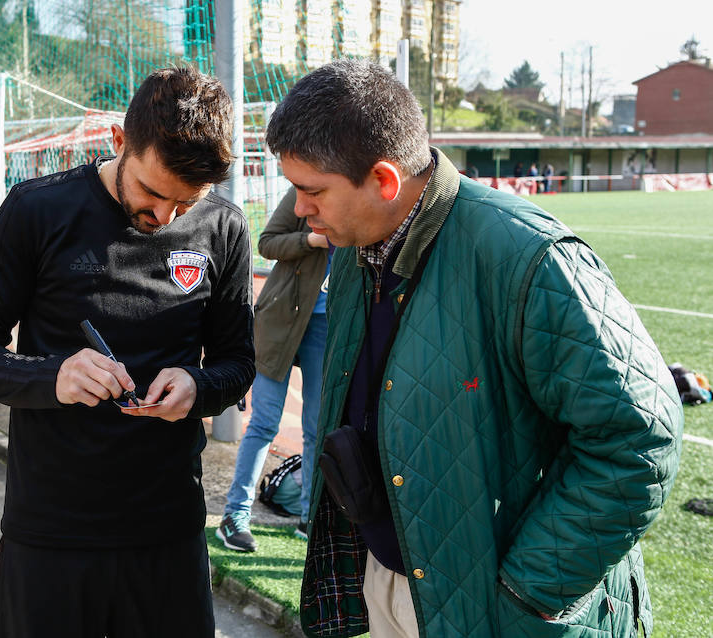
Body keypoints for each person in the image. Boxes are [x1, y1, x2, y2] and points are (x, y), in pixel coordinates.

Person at [265, 59, 682, 638]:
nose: (300, 209)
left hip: (497, 600)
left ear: (385, 181)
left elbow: (641, 435)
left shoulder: (528, 256)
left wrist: (528, 590)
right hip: (393, 576)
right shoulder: (361, 243)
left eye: (311, 191)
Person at [0, 67, 254, 638]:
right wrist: (53, 375)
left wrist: (198, 387)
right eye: (153, 193)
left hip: (168, 531)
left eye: (185, 203)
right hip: (52, 530)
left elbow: (238, 365)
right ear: (118, 141)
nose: (164, 217)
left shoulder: (223, 229)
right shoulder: (36, 209)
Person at [217, 188, 330, 551]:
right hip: (281, 320)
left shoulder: (360, 196)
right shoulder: (307, 191)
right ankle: (235, 514)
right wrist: (312, 239)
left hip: (330, 326)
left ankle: (308, 519)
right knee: (264, 422)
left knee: (317, 429)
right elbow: (267, 243)